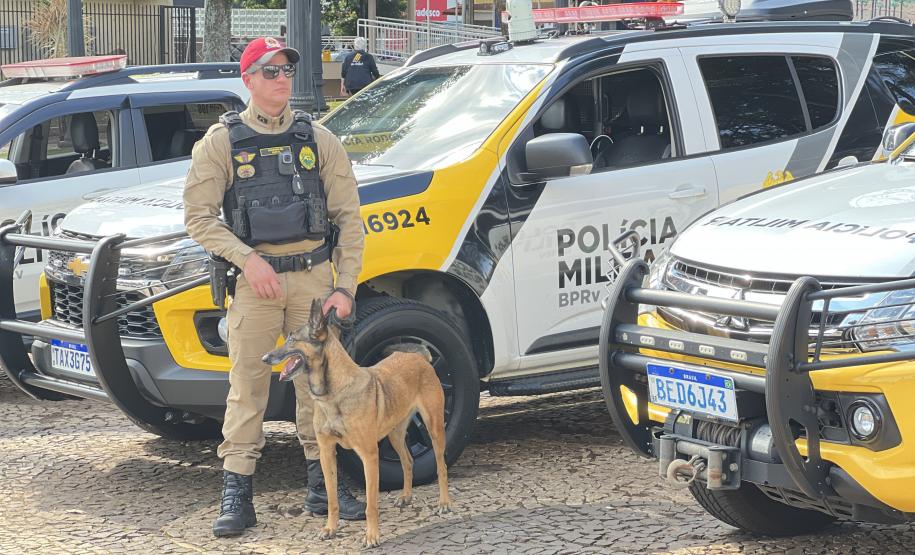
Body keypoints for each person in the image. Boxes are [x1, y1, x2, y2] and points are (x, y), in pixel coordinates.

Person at [183, 36, 366, 538]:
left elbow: (349, 218)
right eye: (269, 71)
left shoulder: (318, 139)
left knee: (321, 389)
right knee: (247, 390)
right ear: (248, 80)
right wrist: (247, 259)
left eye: (286, 70)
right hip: (256, 285)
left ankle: (323, 487)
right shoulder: (221, 143)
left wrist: (344, 287)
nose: (281, 79)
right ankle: (237, 494)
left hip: (312, 280)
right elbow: (198, 218)